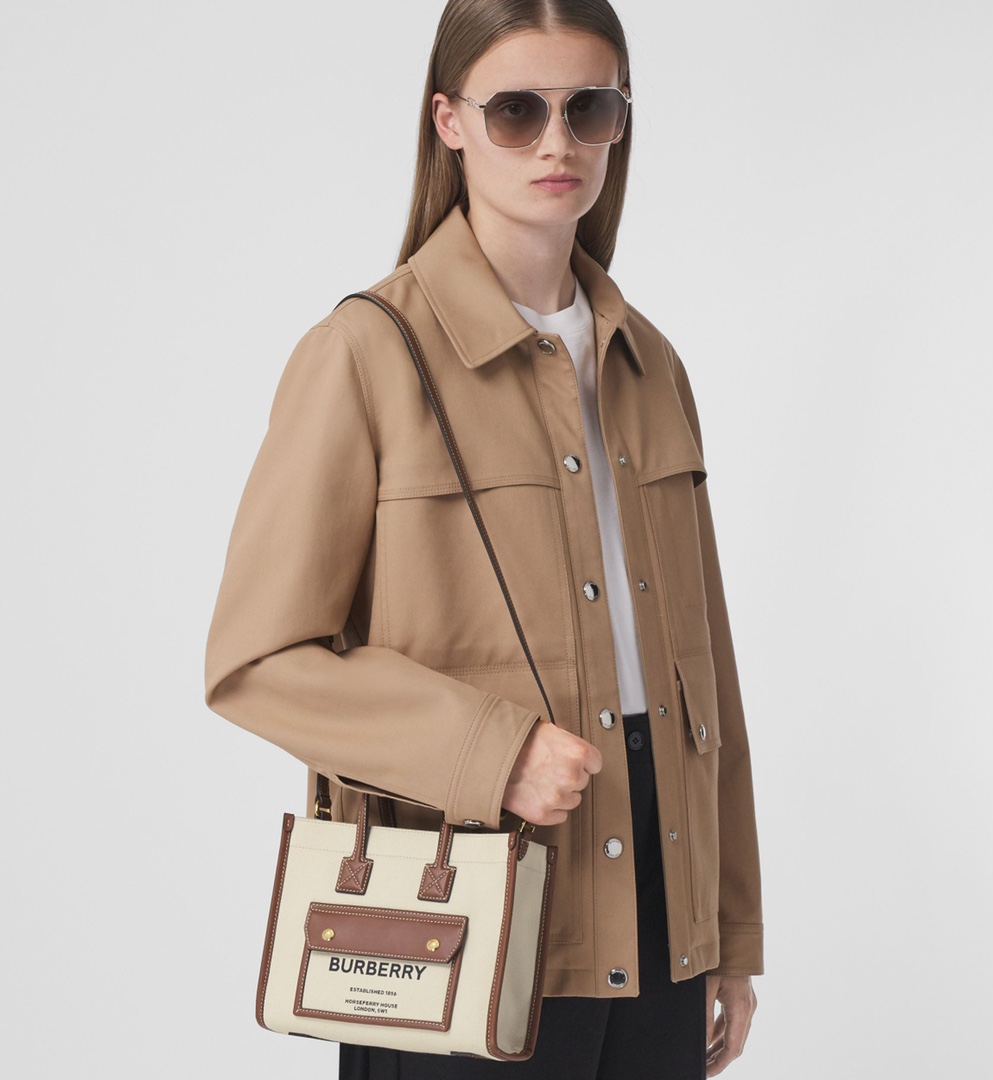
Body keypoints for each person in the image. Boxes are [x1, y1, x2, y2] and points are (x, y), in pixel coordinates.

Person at [204, 1, 763, 1077]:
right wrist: (492, 753)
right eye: (516, 111)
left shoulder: (651, 366)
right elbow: (255, 661)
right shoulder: (366, 354)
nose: (557, 143)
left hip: (662, 902)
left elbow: (710, 679)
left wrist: (728, 933)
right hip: (460, 911)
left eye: (588, 109)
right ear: (449, 122)